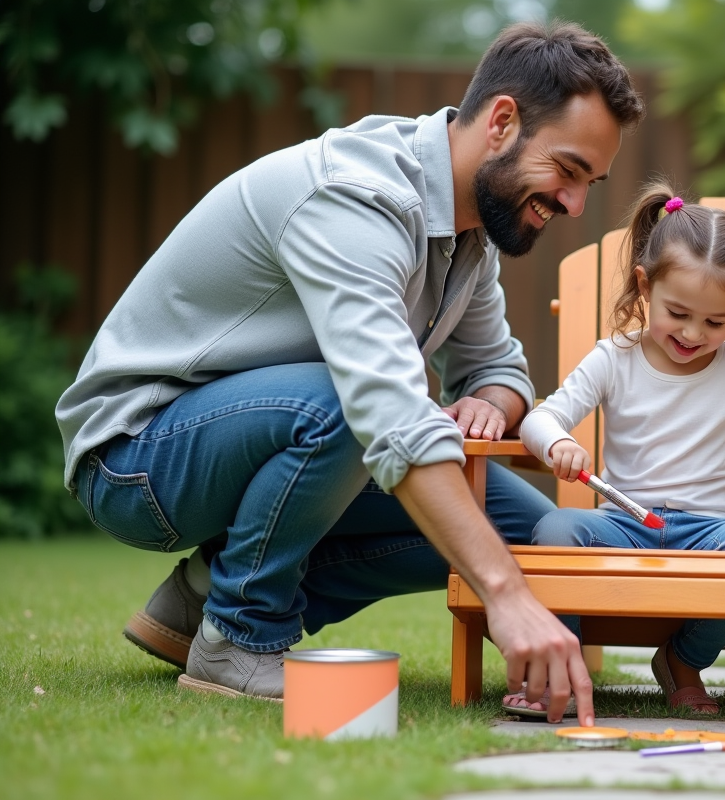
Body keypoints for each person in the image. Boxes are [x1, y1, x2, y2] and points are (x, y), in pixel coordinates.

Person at [55, 21, 645, 724]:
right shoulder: (355, 198)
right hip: (137, 456)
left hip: (268, 436)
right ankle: (241, 633)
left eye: (590, 183)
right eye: (569, 171)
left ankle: (203, 598)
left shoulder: (467, 236)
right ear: (503, 122)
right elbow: (387, 411)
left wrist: (493, 398)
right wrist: (506, 596)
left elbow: (498, 366)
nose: (575, 205)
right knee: (347, 404)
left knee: (529, 536)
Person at [509, 183, 725, 716]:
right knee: (554, 532)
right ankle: (558, 668)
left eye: (715, 322)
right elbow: (540, 419)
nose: (692, 333)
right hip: (623, 522)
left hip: (709, 530)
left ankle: (683, 660)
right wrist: (558, 442)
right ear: (645, 286)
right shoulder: (614, 358)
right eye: (678, 312)